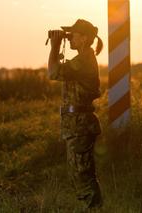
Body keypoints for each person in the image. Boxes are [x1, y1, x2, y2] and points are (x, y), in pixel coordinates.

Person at [47, 19, 103, 211]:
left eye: (73, 34)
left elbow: (53, 73)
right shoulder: (81, 59)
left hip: (80, 125)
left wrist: (55, 47)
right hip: (76, 124)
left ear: (85, 38)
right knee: (79, 172)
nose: (69, 37)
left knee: (83, 174)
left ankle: (94, 208)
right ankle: (93, 207)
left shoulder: (84, 60)